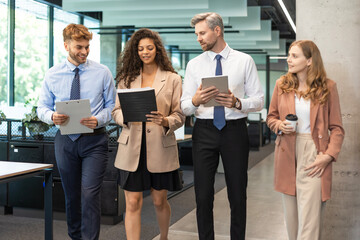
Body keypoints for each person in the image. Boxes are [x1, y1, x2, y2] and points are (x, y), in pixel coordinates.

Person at [180, 12, 264, 239]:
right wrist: (196, 101)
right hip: (204, 130)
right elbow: (185, 106)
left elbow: (258, 100)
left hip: (234, 131)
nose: (198, 38)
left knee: (237, 194)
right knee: (203, 196)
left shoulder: (243, 60)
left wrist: (237, 102)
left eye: (202, 33)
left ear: (217, 31)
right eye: (196, 34)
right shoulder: (194, 65)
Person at [37, 23, 116, 240]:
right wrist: (51, 116)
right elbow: (41, 107)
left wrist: (98, 119)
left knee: (89, 193)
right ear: (66, 45)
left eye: (87, 47)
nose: (84, 51)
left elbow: (113, 106)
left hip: (95, 140)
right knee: (71, 195)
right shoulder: (52, 74)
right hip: (65, 140)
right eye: (79, 47)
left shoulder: (102, 72)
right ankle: (75, 237)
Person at [266, 40, 344, 240]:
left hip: (314, 152)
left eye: (294, 55)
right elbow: (271, 117)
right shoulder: (281, 85)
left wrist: (328, 156)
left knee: (310, 222)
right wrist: (279, 126)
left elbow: (336, 128)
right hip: (286, 152)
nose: (288, 59)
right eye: (289, 55)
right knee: (291, 221)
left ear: (309, 61)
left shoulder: (328, 87)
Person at [112, 28, 185, 240]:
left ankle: (164, 237)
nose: (145, 52)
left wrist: (165, 121)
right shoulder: (126, 79)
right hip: (131, 147)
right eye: (140, 48)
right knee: (133, 202)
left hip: (160, 147)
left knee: (159, 201)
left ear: (157, 50)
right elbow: (116, 111)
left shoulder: (172, 79)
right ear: (135, 51)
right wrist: (123, 118)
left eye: (149, 48)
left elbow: (180, 115)